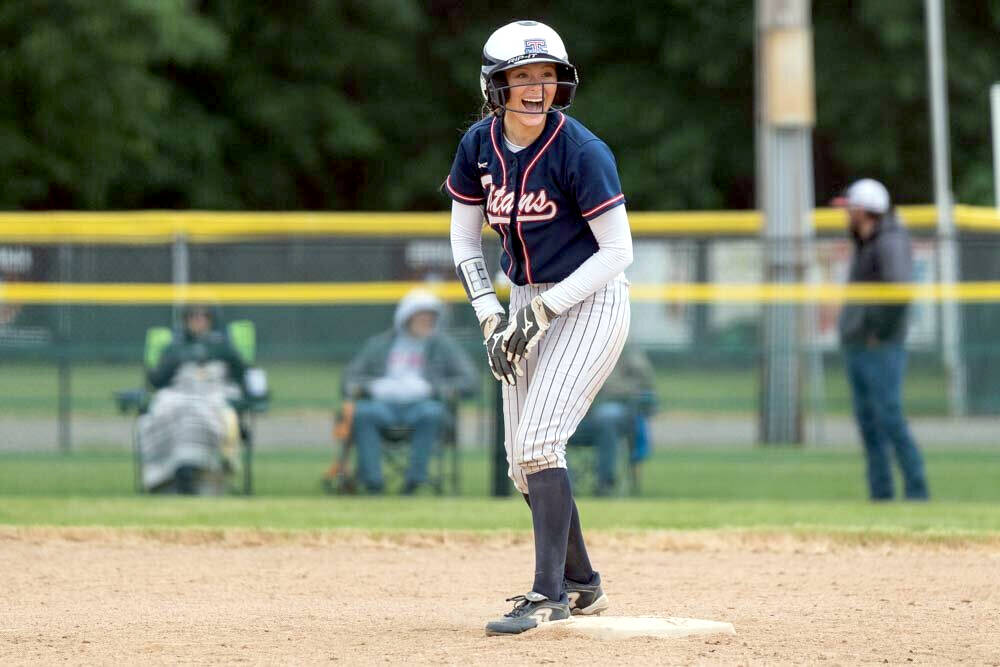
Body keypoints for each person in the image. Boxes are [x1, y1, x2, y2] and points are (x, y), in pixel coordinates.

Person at [446, 20, 633, 635]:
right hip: (522, 300)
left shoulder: (581, 151)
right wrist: (491, 314)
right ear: (494, 85)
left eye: (546, 76)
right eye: (521, 77)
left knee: (537, 443)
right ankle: (583, 583)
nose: (535, 88)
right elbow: (464, 238)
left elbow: (617, 253)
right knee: (520, 462)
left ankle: (547, 595)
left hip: (590, 298)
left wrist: (543, 313)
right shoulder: (479, 146)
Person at [834, 178, 930, 501]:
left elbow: (899, 292)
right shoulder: (865, 240)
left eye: (851, 208)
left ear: (866, 210)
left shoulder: (889, 240)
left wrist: (878, 332)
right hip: (859, 343)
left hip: (881, 345)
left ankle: (917, 492)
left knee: (889, 417)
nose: (846, 213)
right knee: (868, 423)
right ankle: (881, 496)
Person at [341, 289, 476, 494]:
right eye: (421, 316)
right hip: (383, 407)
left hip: (423, 407)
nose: (427, 320)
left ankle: (414, 481)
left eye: (431, 316)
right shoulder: (379, 344)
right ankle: (373, 483)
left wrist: (432, 388)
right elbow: (348, 380)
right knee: (364, 413)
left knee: (432, 413)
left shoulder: (444, 346)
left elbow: (470, 381)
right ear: (406, 317)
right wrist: (373, 386)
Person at [140, 305, 246, 494]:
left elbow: (242, 375)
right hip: (179, 393)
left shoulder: (223, 347)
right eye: (193, 317)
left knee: (201, 410)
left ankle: (194, 469)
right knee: (169, 407)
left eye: (203, 316)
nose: (198, 321)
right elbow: (157, 380)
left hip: (212, 393)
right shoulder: (175, 348)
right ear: (186, 321)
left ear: (211, 320)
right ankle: (170, 474)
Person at [569, 343, 657, 495]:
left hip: (618, 409)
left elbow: (644, 384)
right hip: (584, 413)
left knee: (606, 418)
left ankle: (605, 483)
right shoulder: (580, 348)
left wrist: (608, 387)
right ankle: (564, 486)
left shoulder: (627, 350)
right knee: (552, 428)